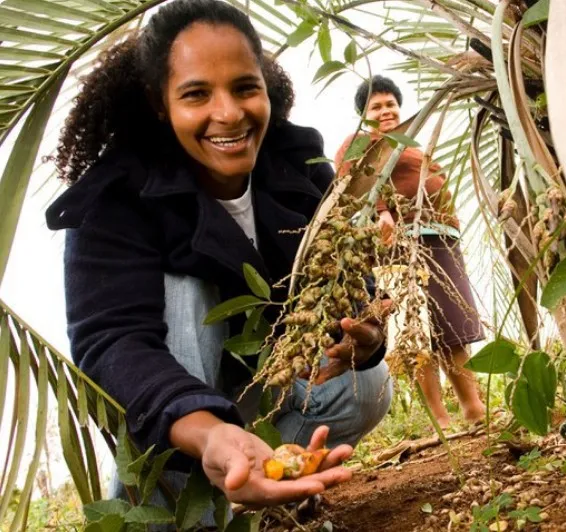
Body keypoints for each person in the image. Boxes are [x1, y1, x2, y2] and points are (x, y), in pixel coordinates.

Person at [45, 0, 392, 517]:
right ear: (160, 103)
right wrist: (211, 436)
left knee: (366, 383)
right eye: (196, 94)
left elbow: (345, 281)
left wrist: (363, 336)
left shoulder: (299, 167)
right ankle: (190, 508)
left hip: (257, 393)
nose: (228, 113)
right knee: (187, 290)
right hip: (178, 419)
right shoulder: (116, 200)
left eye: (244, 88)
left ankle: (266, 473)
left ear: (266, 86)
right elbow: (113, 341)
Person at [334, 75, 486, 430]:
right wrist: (383, 210)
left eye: (390, 104)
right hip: (396, 243)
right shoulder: (359, 142)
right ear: (363, 114)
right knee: (413, 331)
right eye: (376, 106)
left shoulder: (412, 145)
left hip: (439, 239)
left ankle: (474, 409)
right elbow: (352, 181)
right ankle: (439, 418)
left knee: (453, 327)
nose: (385, 111)